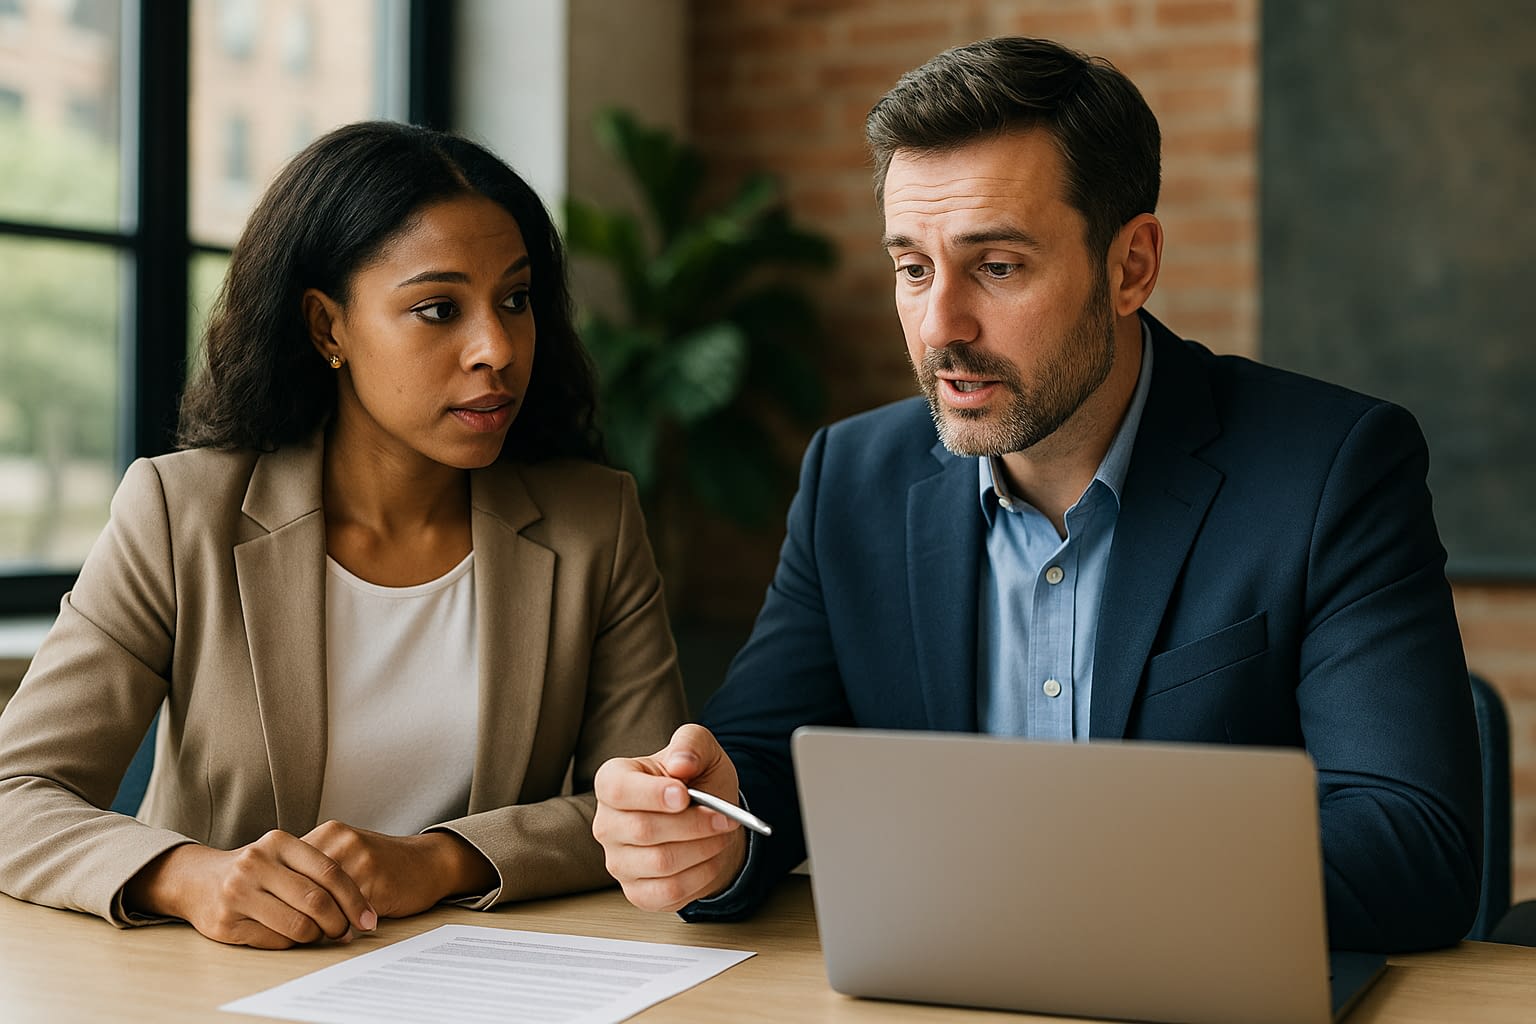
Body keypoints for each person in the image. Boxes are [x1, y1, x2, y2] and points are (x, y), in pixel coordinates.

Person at [591, 37, 1482, 953]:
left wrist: (1052, 884)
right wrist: (700, 828)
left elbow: (1412, 841)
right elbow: (766, 762)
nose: (941, 327)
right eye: (913, 268)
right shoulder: (851, 480)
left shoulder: (1331, 469)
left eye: (998, 267)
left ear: (1130, 266)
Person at [0, 121, 687, 948]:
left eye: (515, 299)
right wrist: (186, 876)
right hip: (218, 982)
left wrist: (440, 861)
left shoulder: (593, 523)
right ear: (328, 328)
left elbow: (651, 813)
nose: (496, 349)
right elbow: (17, 794)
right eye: (439, 309)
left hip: (491, 983)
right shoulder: (180, 513)